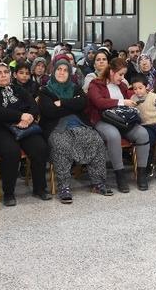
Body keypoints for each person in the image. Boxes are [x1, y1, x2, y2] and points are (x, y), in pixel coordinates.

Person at [37, 58, 112, 203]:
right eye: (59, 69)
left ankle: (98, 183)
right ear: (53, 71)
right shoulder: (45, 90)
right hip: (56, 127)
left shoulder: (75, 87)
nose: (62, 72)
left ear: (69, 73)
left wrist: (62, 103)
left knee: (96, 140)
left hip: (78, 125)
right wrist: (71, 105)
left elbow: (82, 103)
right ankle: (64, 187)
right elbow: (49, 112)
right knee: (61, 145)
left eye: (65, 70)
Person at [0, 62, 50, 206]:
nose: (3, 75)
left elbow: (33, 105)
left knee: (39, 147)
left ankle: (39, 188)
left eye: (6, 72)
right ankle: (9, 193)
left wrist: (28, 117)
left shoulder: (18, 89)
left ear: (11, 74)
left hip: (23, 126)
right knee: (11, 151)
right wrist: (19, 116)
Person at [87, 57, 151, 192]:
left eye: (124, 75)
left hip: (121, 120)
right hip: (101, 120)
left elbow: (132, 98)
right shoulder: (96, 84)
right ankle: (120, 175)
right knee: (113, 135)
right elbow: (99, 102)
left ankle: (141, 174)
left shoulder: (122, 86)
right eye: (120, 74)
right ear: (111, 72)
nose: (122, 78)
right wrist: (122, 102)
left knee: (143, 134)